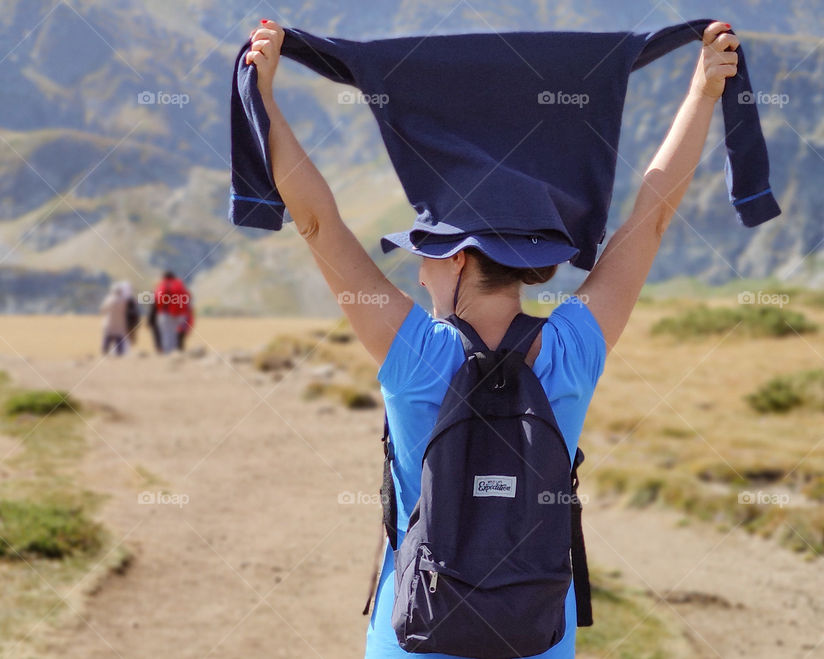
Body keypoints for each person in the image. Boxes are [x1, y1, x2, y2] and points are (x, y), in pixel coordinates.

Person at [247, 18, 740, 659]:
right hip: (538, 635)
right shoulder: (570, 347)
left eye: (426, 250)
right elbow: (651, 220)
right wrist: (702, 92)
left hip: (415, 634)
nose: (418, 265)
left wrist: (263, 98)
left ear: (457, 260)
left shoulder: (417, 354)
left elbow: (315, 221)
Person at [153, 271, 192, 353]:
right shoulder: (180, 285)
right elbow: (188, 299)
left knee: (166, 336)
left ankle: (168, 356)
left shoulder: (163, 285)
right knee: (175, 336)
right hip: (180, 315)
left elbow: (157, 299)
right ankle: (175, 354)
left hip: (166, 315)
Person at [99, 281, 130, 356]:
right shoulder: (123, 301)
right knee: (119, 340)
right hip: (119, 324)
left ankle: (104, 353)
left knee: (107, 339)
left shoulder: (109, 300)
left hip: (109, 323)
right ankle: (119, 354)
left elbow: (102, 309)